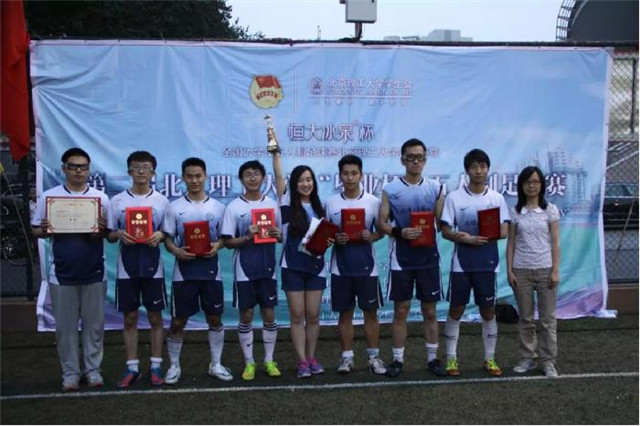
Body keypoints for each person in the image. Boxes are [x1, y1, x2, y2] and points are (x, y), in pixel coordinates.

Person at [31, 147, 110, 391]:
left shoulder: (100, 198)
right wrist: (46, 229)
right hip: (62, 273)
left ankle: (93, 371)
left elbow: (107, 234)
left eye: (83, 167)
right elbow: (36, 230)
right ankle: (70, 373)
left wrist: (101, 230)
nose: (78, 171)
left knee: (94, 326)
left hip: (94, 271)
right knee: (65, 328)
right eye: (73, 166)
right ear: (63, 168)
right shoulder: (50, 197)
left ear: (88, 170)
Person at [377, 138, 447, 378]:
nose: (415, 161)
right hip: (402, 259)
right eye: (411, 157)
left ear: (425, 160)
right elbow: (382, 223)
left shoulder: (436, 188)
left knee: (430, 311)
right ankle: (397, 360)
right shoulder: (390, 189)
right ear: (402, 160)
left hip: (428, 258)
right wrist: (400, 232)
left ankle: (433, 359)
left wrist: (442, 225)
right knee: (401, 310)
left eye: (420, 157)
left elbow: (441, 223)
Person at [163, 157, 233, 384]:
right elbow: (168, 239)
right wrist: (177, 251)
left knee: (215, 319)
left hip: (211, 272)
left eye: (198, 176)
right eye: (190, 176)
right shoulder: (174, 207)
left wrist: (217, 246)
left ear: (206, 177)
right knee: (178, 321)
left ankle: (216, 364)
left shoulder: (218, 208)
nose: (194, 180)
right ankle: (174, 366)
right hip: (183, 274)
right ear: (183, 178)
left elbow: (224, 239)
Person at [440, 148, 510, 377]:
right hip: (462, 263)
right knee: (456, 309)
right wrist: (465, 238)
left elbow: (504, 230)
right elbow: (445, 231)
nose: (479, 171)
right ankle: (451, 359)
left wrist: (489, 235)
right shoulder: (454, 198)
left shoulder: (496, 198)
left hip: (487, 263)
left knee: (488, 311)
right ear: (467, 170)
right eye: (474, 167)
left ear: (488, 169)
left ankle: (490, 358)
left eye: (482, 166)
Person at [107, 151, 169, 388]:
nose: (141, 171)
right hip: (127, 266)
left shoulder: (161, 201)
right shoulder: (117, 201)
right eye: (136, 167)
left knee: (155, 316)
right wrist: (119, 233)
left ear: (153, 173)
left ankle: (156, 366)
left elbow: (168, 232)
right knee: (130, 317)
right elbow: (110, 235)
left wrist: (160, 235)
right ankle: (132, 367)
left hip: (153, 266)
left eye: (146, 167)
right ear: (129, 171)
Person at [221, 160, 283, 381]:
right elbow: (227, 242)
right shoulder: (234, 207)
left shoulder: (273, 205)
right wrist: (247, 237)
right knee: (246, 314)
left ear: (264, 178)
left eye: (256, 174)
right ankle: (249, 362)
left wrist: (278, 235)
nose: (252, 178)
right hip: (244, 269)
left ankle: (269, 360)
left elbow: (281, 236)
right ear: (241, 179)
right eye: (247, 174)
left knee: (269, 313)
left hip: (268, 267)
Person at [325, 155, 386, 375]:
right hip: (340, 267)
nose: (350, 178)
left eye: (354, 173)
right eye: (345, 173)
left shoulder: (373, 202)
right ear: (340, 176)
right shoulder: (331, 203)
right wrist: (335, 238)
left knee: (371, 313)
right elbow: (325, 235)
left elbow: (382, 231)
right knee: (345, 314)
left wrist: (372, 236)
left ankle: (373, 358)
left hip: (367, 267)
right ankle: (346, 358)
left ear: (361, 175)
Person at [271, 151, 330, 378]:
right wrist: (276, 154)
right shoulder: (286, 203)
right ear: (294, 184)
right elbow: (279, 177)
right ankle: (302, 361)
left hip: (316, 267)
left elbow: (323, 236)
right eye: (301, 181)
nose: (306, 184)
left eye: (309, 180)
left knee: (313, 315)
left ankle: (312, 357)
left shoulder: (320, 207)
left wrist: (328, 240)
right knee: (297, 315)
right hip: (293, 267)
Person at [506, 166, 561, 378]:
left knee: (548, 320)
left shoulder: (550, 211)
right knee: (526, 319)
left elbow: (555, 243)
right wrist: (510, 270)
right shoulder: (515, 212)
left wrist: (555, 270)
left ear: (542, 185)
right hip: (521, 270)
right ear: (521, 185)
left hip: (545, 269)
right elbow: (511, 243)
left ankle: (548, 361)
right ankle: (527, 358)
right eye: (528, 182)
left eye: (536, 182)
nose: (532, 186)